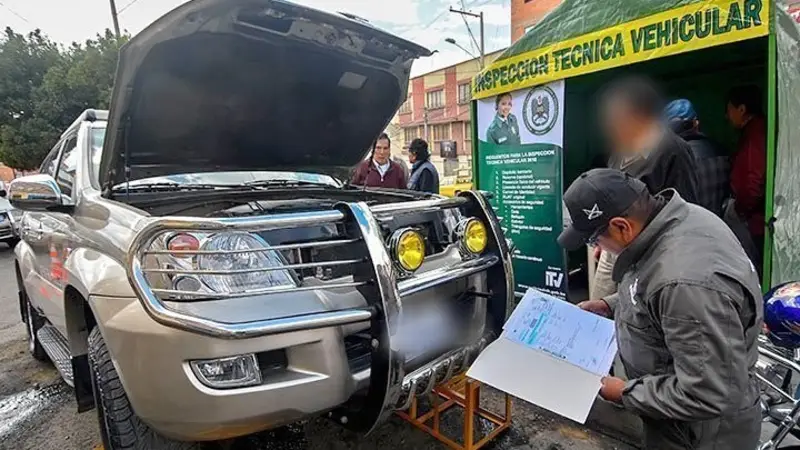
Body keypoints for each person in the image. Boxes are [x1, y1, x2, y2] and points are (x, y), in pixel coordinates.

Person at [560, 168, 763, 450]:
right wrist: (610, 305)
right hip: (678, 419)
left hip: (700, 435)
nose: (597, 248)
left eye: (595, 239)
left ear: (621, 226)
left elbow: (709, 392)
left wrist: (624, 393)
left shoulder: (685, 283)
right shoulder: (679, 220)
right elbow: (651, 287)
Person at [590, 75, 699, 301]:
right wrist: (602, 238)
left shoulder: (674, 150)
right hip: (614, 244)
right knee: (600, 305)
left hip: (651, 249)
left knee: (638, 308)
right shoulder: (620, 151)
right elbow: (611, 196)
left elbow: (685, 207)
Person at [664, 98, 730, 217]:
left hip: (692, 226)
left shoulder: (675, 159)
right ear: (696, 123)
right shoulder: (721, 150)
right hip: (720, 224)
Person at [726, 85, 767, 272]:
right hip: (752, 216)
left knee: (750, 267)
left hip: (752, 220)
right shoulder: (754, 132)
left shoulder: (755, 135)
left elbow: (754, 180)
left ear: (741, 109)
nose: (727, 116)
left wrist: (741, 208)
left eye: (729, 110)